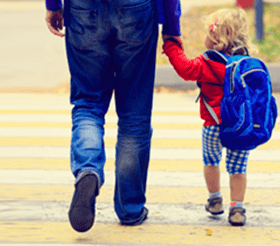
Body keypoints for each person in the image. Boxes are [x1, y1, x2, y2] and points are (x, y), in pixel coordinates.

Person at [45, 0, 181, 232]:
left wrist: (53, 5)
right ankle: (130, 208)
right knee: (134, 113)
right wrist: (172, 25)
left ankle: (88, 170)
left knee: (88, 102)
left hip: (83, 9)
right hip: (136, 10)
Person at [161, 8, 257, 226]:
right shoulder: (246, 65)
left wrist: (171, 46)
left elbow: (184, 68)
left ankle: (215, 200)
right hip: (240, 127)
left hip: (213, 125)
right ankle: (237, 208)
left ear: (215, 39)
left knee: (211, 161)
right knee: (238, 168)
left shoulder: (208, 63)